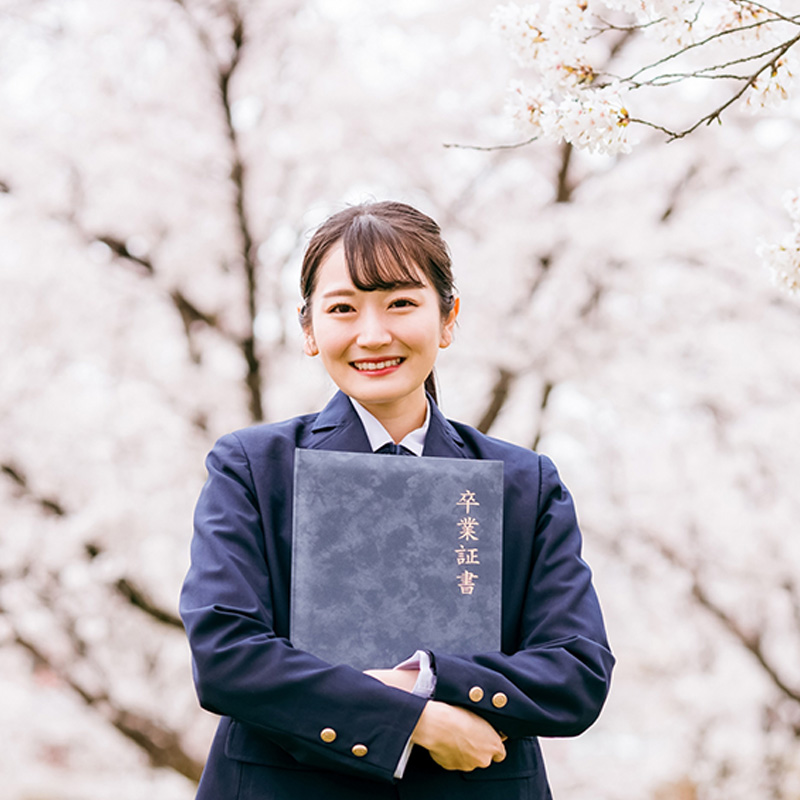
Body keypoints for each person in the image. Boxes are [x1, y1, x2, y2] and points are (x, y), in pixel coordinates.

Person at [180, 201, 614, 800]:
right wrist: (415, 717)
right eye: (342, 309)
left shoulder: (523, 481)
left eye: (401, 302)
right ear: (309, 330)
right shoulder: (254, 468)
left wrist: (427, 678)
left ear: (448, 317)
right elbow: (227, 656)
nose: (373, 334)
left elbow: (576, 673)